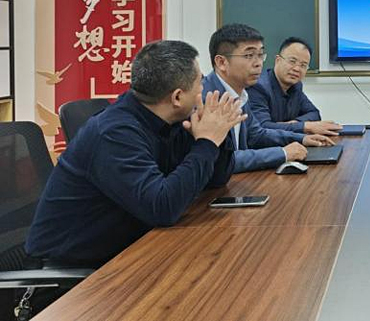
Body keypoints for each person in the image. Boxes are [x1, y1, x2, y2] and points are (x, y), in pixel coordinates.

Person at [26, 40, 243, 267]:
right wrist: (207, 143)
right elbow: (163, 208)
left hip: (131, 250)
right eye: (200, 82)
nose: (203, 89)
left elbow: (215, 181)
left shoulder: (170, 120)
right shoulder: (114, 133)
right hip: (72, 273)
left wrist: (217, 135)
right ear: (177, 97)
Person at [204, 25, 334, 172]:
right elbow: (221, 162)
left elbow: (257, 135)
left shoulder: (240, 94)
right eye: (249, 55)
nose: (258, 63)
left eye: (260, 55)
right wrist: (283, 153)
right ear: (222, 62)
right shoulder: (206, 99)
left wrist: (302, 139)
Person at [248, 37, 341, 136]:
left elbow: (314, 113)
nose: (297, 69)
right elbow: (262, 127)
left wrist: (295, 124)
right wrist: (304, 126)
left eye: (303, 65)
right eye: (292, 61)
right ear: (278, 60)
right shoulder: (258, 87)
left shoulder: (296, 86)